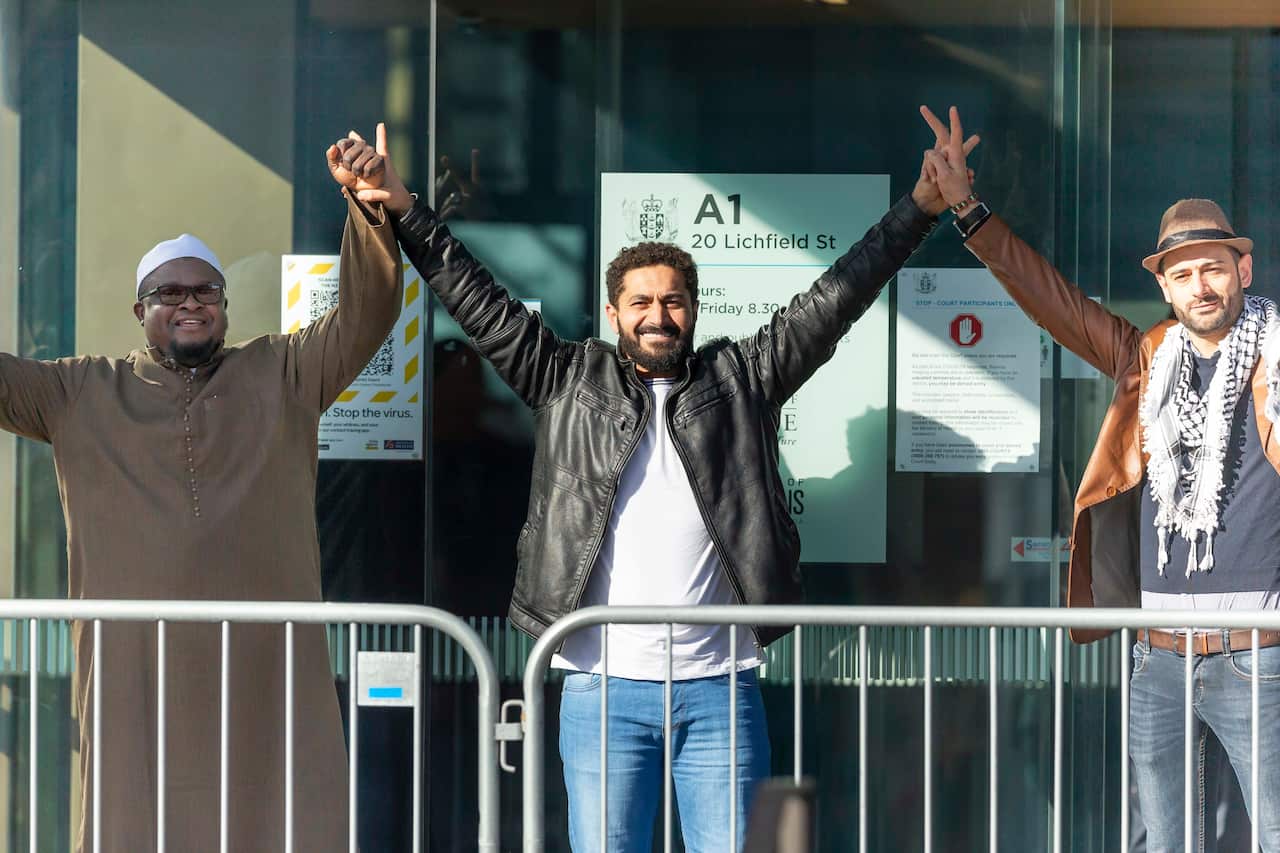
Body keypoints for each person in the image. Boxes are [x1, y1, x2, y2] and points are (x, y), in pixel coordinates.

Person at [352, 114, 976, 850]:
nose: (658, 315)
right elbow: (476, 299)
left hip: (722, 688)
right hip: (601, 687)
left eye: (673, 301)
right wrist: (402, 207)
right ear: (613, 313)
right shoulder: (565, 378)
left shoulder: (742, 378)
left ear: (694, 311)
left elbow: (837, 296)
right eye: (641, 302)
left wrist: (919, 211)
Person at [0, 128, 400, 852]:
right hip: (134, 672)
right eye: (168, 293)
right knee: (135, 819)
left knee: (276, 818)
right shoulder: (78, 390)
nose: (190, 303)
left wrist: (366, 209)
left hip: (264, 664)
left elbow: (365, 318)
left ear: (224, 302)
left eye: (205, 290)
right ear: (139, 310)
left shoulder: (283, 373)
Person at [922, 104, 1280, 852]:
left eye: (1214, 268)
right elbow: (1053, 302)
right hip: (1157, 654)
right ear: (1167, 286)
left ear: (1243, 269)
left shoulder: (1276, 356)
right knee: (1160, 840)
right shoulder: (1144, 357)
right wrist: (967, 210)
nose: (1201, 286)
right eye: (1182, 274)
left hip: (1262, 650)